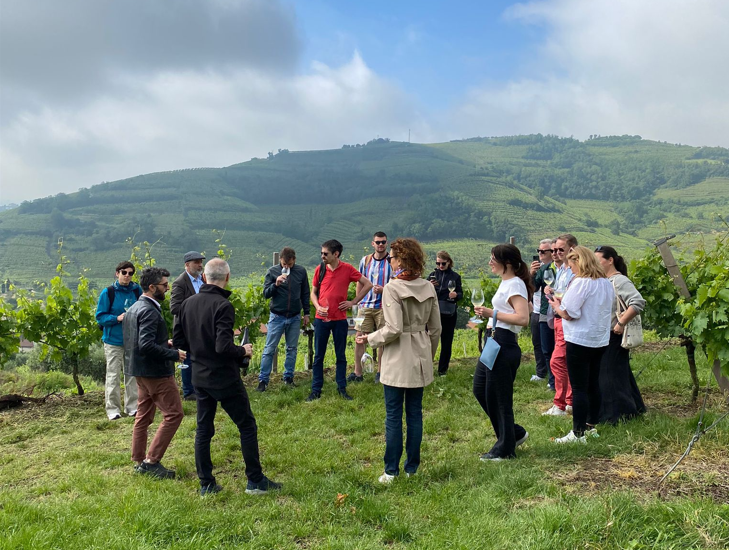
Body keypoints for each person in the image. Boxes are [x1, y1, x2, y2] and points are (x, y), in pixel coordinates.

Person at [173, 258, 281, 496]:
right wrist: (243, 350)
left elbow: (180, 342)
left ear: (204, 277)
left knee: (204, 429)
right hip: (224, 377)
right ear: (228, 277)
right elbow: (223, 347)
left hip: (199, 377)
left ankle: (206, 484)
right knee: (246, 425)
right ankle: (255, 481)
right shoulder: (223, 306)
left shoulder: (187, 304)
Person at [357, 238, 441, 482]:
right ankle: (412, 468)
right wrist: (428, 354)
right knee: (415, 414)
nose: (390, 261)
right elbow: (435, 329)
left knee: (393, 415)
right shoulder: (428, 286)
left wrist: (369, 338)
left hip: (396, 356)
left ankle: (391, 470)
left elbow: (392, 328)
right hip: (420, 352)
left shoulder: (392, 288)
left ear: (401, 260)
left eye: (392, 257)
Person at [123, 267, 186, 479]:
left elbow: (139, 341)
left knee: (143, 416)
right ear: (152, 287)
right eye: (164, 285)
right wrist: (173, 354)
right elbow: (146, 345)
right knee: (174, 414)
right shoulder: (150, 310)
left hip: (139, 372)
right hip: (156, 373)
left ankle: (139, 460)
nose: (167, 289)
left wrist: (163, 342)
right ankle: (152, 462)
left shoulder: (134, 308)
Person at [548, 246, 614, 443]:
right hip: (599, 339)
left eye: (571, 265)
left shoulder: (581, 283)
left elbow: (569, 312)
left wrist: (556, 306)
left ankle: (577, 433)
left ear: (579, 262)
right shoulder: (605, 283)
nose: (571, 269)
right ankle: (591, 425)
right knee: (593, 383)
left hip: (579, 339)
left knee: (578, 387)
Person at [473, 244, 533, 461]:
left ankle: (505, 449)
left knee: (499, 397)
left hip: (504, 342)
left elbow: (523, 318)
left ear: (506, 262)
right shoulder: (507, 282)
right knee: (481, 389)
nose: (489, 262)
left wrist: (492, 313)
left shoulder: (515, 284)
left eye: (493, 258)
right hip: (493, 340)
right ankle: (513, 433)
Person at [308, 239, 373, 401]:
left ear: (336, 254)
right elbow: (313, 293)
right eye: (321, 253)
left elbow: (368, 284)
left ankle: (341, 388)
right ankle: (316, 390)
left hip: (340, 320)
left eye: (325, 253)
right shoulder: (320, 269)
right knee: (318, 357)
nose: (322, 256)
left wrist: (353, 302)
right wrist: (317, 306)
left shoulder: (347, 269)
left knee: (340, 356)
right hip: (321, 319)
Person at [594, 246, 647, 424]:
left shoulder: (619, 281)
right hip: (606, 333)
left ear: (610, 260)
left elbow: (638, 302)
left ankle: (616, 415)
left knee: (609, 375)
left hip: (615, 333)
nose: (595, 263)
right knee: (620, 372)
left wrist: (621, 322)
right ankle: (635, 408)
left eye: (598, 259)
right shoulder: (605, 280)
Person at [257, 246, 310, 391]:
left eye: (290, 265)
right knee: (269, 349)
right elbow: (266, 294)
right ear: (280, 260)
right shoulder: (272, 271)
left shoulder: (301, 271)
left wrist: (306, 313)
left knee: (291, 349)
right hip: (277, 316)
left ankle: (288, 378)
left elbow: (305, 293)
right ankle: (263, 381)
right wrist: (276, 284)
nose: (286, 267)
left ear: (294, 261)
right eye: (284, 264)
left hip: (294, 316)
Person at [96, 261, 141, 420]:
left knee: (132, 375)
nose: (127, 275)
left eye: (130, 273)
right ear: (117, 273)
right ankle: (113, 410)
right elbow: (100, 317)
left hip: (132, 339)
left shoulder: (137, 291)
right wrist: (117, 318)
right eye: (124, 272)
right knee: (113, 376)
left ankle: (132, 408)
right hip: (113, 341)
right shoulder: (108, 293)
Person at [349, 231, 393, 384]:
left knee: (383, 340)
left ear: (386, 243)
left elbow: (396, 284)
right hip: (365, 305)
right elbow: (359, 282)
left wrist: (384, 290)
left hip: (384, 306)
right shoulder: (365, 260)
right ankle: (358, 373)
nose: (381, 245)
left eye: (383, 242)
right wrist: (358, 301)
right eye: (378, 242)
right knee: (360, 338)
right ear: (372, 243)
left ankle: (381, 373)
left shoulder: (392, 261)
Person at [542, 233, 578, 416]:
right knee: (564, 360)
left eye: (560, 249)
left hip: (565, 318)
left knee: (557, 361)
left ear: (571, 249)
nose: (555, 253)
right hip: (557, 318)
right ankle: (570, 401)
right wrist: (552, 291)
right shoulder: (562, 269)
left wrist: (557, 296)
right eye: (554, 250)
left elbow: (572, 296)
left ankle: (561, 404)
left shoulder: (573, 270)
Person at [169, 251, 205, 401]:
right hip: (187, 328)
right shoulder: (180, 282)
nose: (199, 265)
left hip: (201, 326)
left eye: (200, 262)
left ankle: (199, 387)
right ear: (187, 265)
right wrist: (194, 309)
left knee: (199, 357)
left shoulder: (202, 280)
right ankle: (188, 391)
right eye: (196, 262)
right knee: (188, 358)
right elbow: (175, 308)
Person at [427, 251, 463, 376]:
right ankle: (427, 368)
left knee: (446, 342)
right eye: (438, 263)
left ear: (449, 262)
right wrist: (429, 287)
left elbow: (460, 294)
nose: (440, 266)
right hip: (433, 311)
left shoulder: (455, 277)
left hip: (448, 312)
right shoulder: (432, 275)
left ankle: (442, 370)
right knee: (428, 340)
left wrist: (455, 295)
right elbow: (425, 294)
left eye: (443, 263)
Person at [529, 239, 554, 385]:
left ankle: (552, 377)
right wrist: (531, 273)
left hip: (548, 310)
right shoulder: (539, 270)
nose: (540, 254)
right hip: (536, 309)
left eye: (543, 251)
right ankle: (541, 372)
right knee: (537, 343)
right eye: (539, 251)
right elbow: (532, 287)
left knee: (549, 346)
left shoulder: (554, 270)